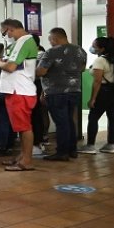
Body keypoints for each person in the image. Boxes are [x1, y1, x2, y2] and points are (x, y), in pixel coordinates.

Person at [0, 19, 39, 171]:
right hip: (17, 90)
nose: (6, 36)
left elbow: (10, 67)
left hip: (20, 90)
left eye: (4, 33)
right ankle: (22, 156)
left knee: (24, 127)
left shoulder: (24, 41)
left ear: (10, 29)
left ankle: (27, 160)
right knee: (21, 127)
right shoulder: (22, 42)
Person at [35, 28, 87, 161]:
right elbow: (82, 68)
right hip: (74, 90)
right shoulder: (80, 50)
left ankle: (62, 152)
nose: (50, 42)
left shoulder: (51, 52)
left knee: (61, 123)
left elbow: (41, 71)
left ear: (55, 38)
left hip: (56, 92)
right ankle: (72, 150)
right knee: (70, 121)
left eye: (50, 39)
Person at [79, 36, 114, 154]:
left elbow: (97, 81)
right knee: (113, 118)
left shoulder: (100, 60)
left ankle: (90, 146)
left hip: (103, 92)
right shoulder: (113, 58)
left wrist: (93, 99)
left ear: (102, 48)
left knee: (93, 117)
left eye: (94, 46)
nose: (92, 48)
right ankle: (111, 145)